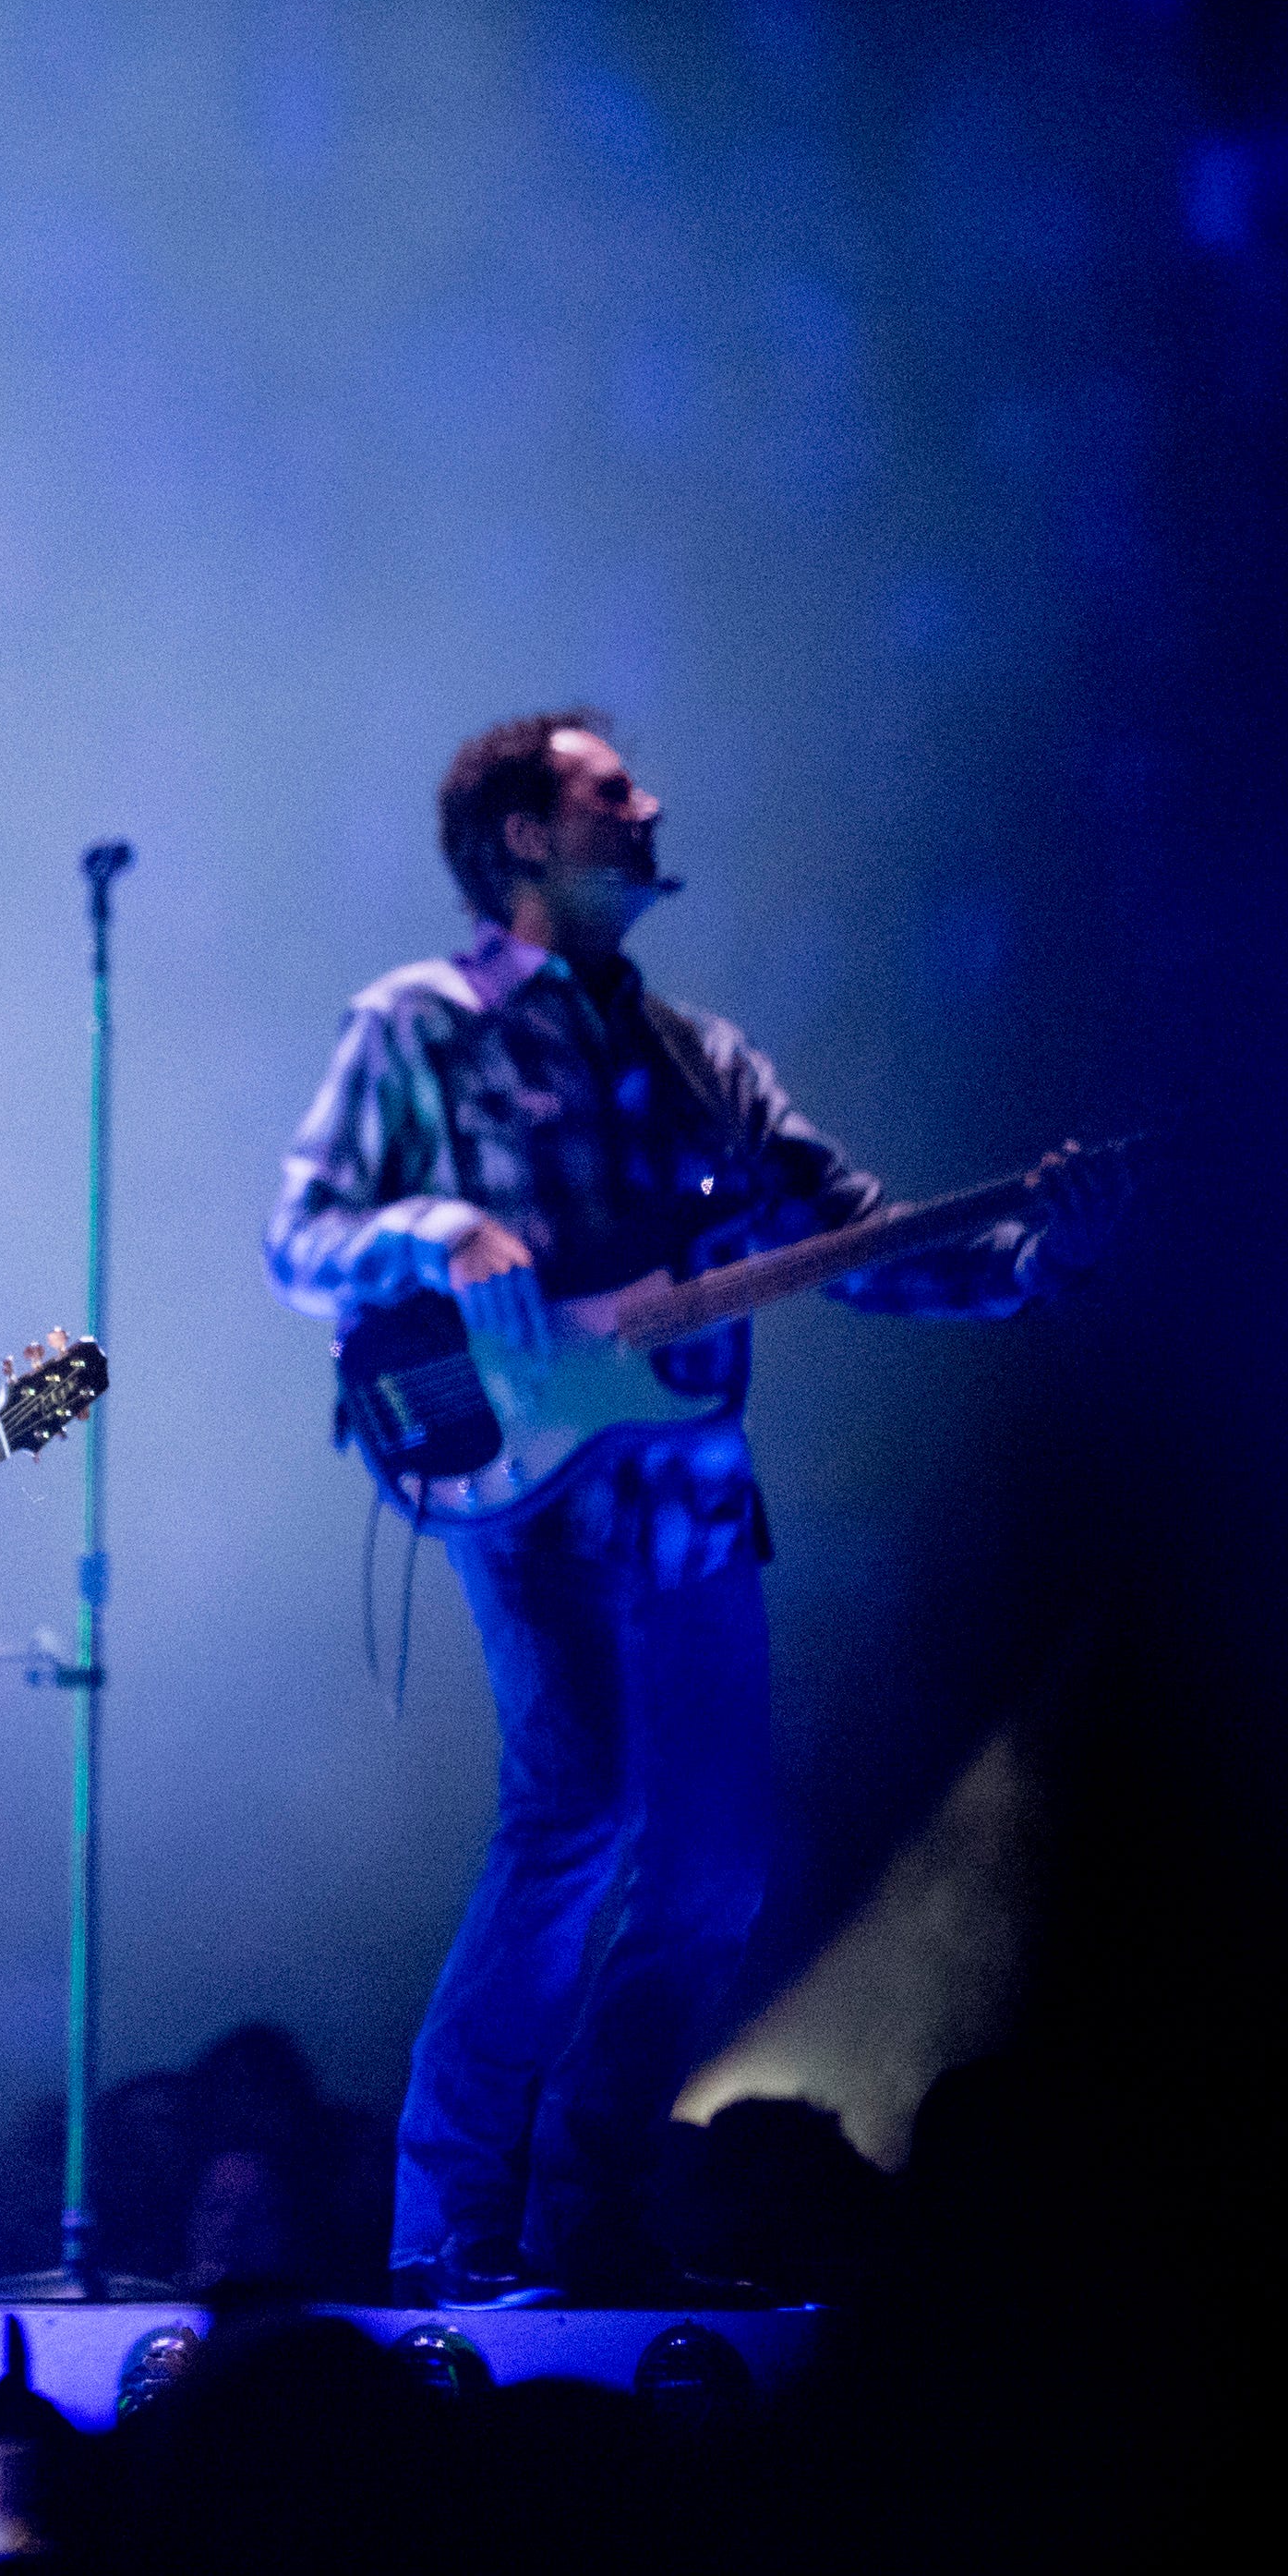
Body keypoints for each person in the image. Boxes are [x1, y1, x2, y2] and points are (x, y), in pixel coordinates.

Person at [266, 709, 1117, 2305]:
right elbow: (301, 1236)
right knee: (575, 1810)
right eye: (607, 791)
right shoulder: (420, 1026)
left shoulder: (706, 1061)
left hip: (694, 1501)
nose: (650, 803)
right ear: (523, 836)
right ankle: (449, 2229)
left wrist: (1037, 1255)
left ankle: (578, 2221)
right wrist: (443, 1225)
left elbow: (863, 1244)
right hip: (525, 1482)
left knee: (715, 1872)